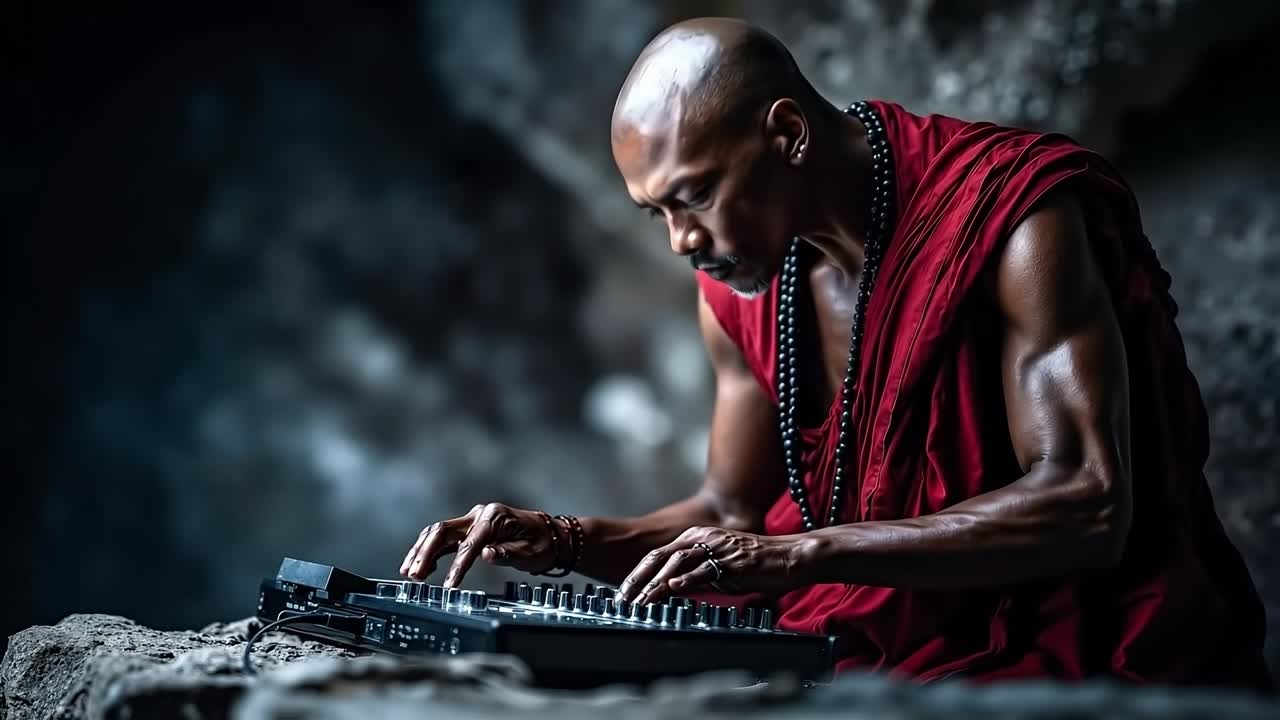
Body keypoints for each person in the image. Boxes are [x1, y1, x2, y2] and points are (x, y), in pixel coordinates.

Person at [400, 17, 1273, 691]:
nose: (679, 243)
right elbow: (730, 517)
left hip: (1082, 648)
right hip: (861, 641)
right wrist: (557, 539)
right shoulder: (739, 299)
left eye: (693, 196)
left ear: (786, 135)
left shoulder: (1017, 225)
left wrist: (808, 555)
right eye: (655, 213)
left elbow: (1088, 504)